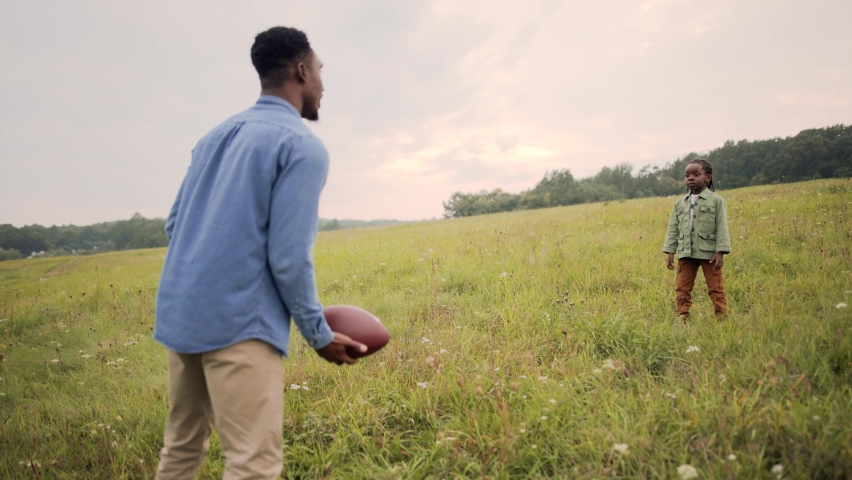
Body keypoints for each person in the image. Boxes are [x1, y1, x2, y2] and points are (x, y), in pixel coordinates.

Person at [153, 26, 366, 480]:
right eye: (322, 72)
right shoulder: (302, 146)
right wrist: (320, 334)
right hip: (240, 325)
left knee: (181, 448)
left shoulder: (213, 137)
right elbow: (288, 256)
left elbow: (175, 225)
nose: (324, 86)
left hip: (181, 316)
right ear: (302, 71)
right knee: (254, 462)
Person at [662, 159, 731, 319]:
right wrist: (670, 251)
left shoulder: (716, 201)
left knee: (716, 288)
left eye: (696, 174)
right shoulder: (680, 203)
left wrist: (720, 251)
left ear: (708, 177)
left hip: (710, 255)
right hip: (686, 254)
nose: (690, 178)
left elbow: (722, 227)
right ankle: (682, 317)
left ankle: (721, 318)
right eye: (687, 175)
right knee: (682, 288)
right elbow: (673, 228)